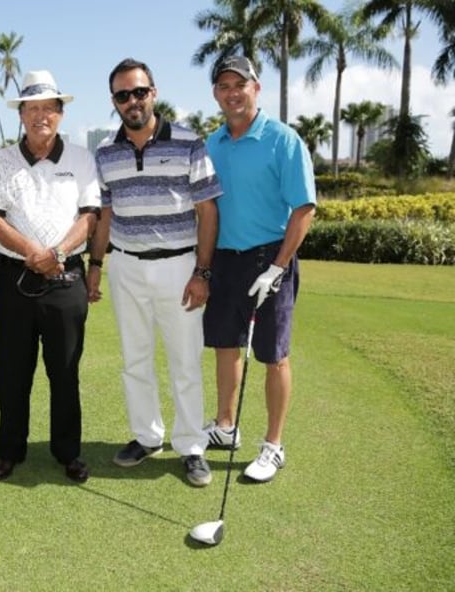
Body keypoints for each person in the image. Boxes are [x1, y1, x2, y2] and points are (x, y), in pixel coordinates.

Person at [87, 58, 221, 487]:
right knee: (135, 359)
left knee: (185, 361)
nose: (132, 101)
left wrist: (202, 272)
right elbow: (105, 215)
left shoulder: (188, 142)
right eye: (123, 95)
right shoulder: (106, 151)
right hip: (125, 265)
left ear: (154, 93)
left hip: (179, 265)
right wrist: (96, 265)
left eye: (139, 92)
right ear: (114, 102)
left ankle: (191, 446)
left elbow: (208, 210)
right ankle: (146, 436)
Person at [0, 70, 101, 484]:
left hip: (66, 281)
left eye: (48, 108)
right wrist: (33, 252)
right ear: (22, 115)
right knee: (12, 373)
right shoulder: (2, 160)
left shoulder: (82, 158)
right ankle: (9, 451)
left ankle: (67, 452)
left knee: (64, 372)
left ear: (60, 113)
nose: (40, 116)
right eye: (31, 109)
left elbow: (90, 215)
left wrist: (58, 253)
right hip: (15, 281)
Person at [202, 55, 317, 482]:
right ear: (216, 93)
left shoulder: (282, 139)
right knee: (225, 346)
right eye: (224, 86)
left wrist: (278, 266)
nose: (232, 92)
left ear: (256, 88)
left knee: (273, 354)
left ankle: (273, 445)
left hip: (269, 258)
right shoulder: (212, 143)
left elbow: (304, 208)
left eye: (240, 84)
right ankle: (225, 427)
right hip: (224, 260)